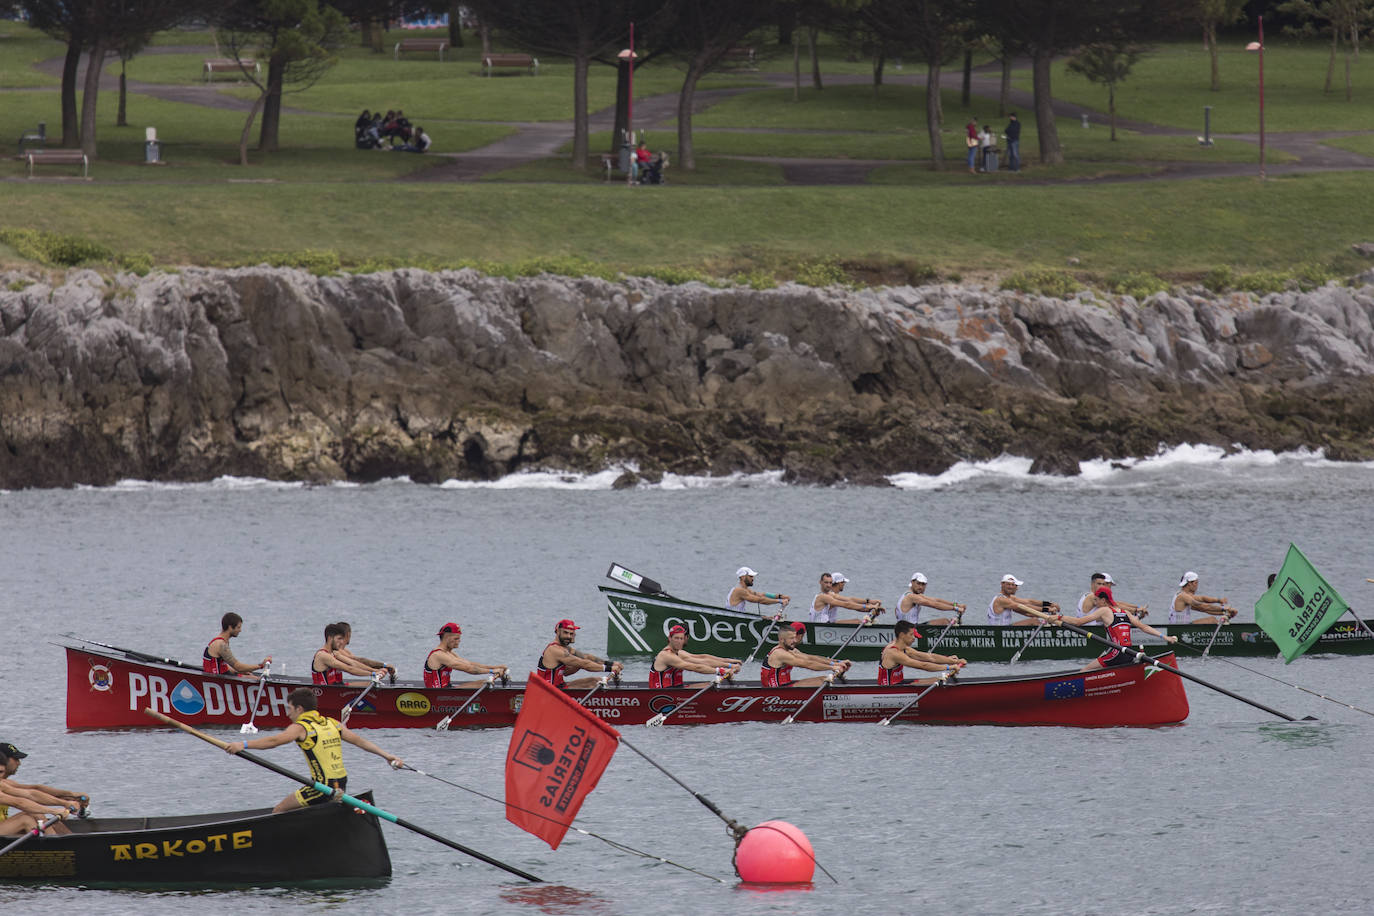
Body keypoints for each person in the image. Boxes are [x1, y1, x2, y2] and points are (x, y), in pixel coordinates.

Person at [226, 687, 403, 814]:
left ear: (299, 709)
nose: (288, 714)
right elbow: (360, 741)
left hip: (322, 787)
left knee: (279, 809)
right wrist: (387, 756)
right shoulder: (331, 723)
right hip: (340, 784)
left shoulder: (301, 727)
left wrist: (243, 745)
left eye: (289, 709)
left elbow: (274, 741)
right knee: (310, 810)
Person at [1058, 588, 1176, 672]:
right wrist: (1165, 637)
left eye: (1096, 600)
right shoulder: (1126, 613)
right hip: (1129, 654)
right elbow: (1144, 627)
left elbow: (1078, 622)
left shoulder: (1104, 611)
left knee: (1084, 671)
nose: (1095, 603)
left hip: (1116, 654)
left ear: (1103, 600)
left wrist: (1059, 617)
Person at [0, 743, 83, 836]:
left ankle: (71, 843)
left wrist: (65, 802)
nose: (1, 776)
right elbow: (18, 803)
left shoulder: (2, 784)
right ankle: (55, 847)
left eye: (1, 772)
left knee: (37, 814)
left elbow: (31, 794)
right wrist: (53, 811)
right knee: (26, 819)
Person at [537, 619, 623, 689]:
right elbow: (584, 663)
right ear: (558, 632)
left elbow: (587, 657)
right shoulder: (554, 650)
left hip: (559, 686)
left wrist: (611, 663)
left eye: (571, 634)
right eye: (565, 633)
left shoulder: (566, 649)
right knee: (594, 684)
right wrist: (610, 668)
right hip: (548, 691)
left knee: (595, 680)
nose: (569, 637)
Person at [761, 621, 850, 688]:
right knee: (822, 682)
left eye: (794, 637)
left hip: (786, 686)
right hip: (776, 691)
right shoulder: (779, 653)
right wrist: (833, 668)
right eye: (791, 638)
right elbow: (808, 664)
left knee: (822, 679)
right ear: (781, 639)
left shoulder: (791, 650)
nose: (794, 641)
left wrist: (837, 662)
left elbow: (811, 658)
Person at [649, 624, 741, 687]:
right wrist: (722, 670)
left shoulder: (679, 653)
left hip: (676, 690)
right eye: (676, 638)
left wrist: (728, 663)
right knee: (710, 687)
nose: (679, 641)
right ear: (669, 638)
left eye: (681, 638)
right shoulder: (666, 655)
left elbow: (703, 658)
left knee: (709, 685)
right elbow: (695, 667)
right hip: (663, 694)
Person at [879, 620, 967, 685]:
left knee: (936, 679)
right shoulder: (894, 653)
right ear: (902, 635)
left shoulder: (904, 648)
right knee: (937, 681)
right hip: (888, 689)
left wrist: (954, 661)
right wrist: (949, 667)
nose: (914, 638)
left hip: (899, 684)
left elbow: (929, 657)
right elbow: (922, 665)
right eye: (911, 635)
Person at [424, 622, 508, 687]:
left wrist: (496, 667)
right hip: (439, 694)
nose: (459, 641)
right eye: (456, 639)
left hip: (447, 689)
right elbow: (469, 669)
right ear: (447, 638)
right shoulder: (438, 655)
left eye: (459, 638)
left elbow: (469, 664)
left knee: (483, 683)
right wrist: (492, 671)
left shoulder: (449, 653)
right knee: (483, 684)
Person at [313, 623, 387, 686]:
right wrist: (372, 674)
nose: (342, 642)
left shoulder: (334, 653)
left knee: (371, 684)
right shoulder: (323, 655)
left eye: (342, 639)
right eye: (339, 639)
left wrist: (375, 670)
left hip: (338, 687)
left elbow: (353, 663)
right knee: (371, 684)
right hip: (327, 692)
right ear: (330, 638)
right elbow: (349, 669)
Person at [203, 612, 270, 677]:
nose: (240, 630)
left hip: (221, 675)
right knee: (254, 679)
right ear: (230, 627)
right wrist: (261, 665)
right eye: (238, 627)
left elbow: (224, 666)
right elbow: (238, 667)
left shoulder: (223, 641)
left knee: (249, 675)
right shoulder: (221, 644)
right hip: (216, 678)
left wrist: (240, 672)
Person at [895, 572, 965, 626]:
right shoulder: (911, 597)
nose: (920, 587)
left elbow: (936, 600)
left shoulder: (915, 595)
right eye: (918, 583)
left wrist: (956, 605)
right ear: (912, 582)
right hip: (907, 632)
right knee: (944, 622)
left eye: (923, 584)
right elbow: (934, 605)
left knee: (945, 621)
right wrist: (956, 609)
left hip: (912, 628)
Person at [1075, 573, 1146, 624]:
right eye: (1099, 584)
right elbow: (1115, 606)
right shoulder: (1093, 597)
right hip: (1090, 630)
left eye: (1103, 584)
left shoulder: (1093, 595)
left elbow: (1117, 603)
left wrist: (1137, 607)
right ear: (1092, 584)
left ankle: (1136, 619)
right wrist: (1136, 610)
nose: (1102, 587)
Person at [988, 574, 1059, 625]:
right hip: (998, 631)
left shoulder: (1011, 598)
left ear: (1017, 587)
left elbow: (1029, 602)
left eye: (1013, 585)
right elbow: (1025, 607)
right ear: (1002, 584)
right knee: (1034, 621)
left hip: (1005, 630)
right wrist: (1048, 609)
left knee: (1034, 617)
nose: (1011, 587)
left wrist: (1050, 604)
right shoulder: (1001, 599)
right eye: (1008, 584)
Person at [811, 572, 880, 624]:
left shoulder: (831, 594)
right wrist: (868, 607)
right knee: (857, 621)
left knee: (856, 621)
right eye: (843, 582)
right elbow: (847, 605)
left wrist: (869, 604)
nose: (844, 584)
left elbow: (850, 600)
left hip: (829, 624)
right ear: (838, 583)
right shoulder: (823, 597)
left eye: (830, 583)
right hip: (821, 628)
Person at [1171, 571, 1237, 624]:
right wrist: (1223, 608)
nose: (1197, 586)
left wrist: (1226, 612)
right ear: (1189, 583)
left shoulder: (1185, 596)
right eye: (1196, 583)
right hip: (1180, 629)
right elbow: (1202, 606)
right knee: (1212, 620)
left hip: (1183, 628)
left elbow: (1203, 601)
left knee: (1212, 619)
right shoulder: (1183, 596)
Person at [726, 566, 790, 613]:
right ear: (743, 577)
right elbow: (760, 600)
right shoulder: (739, 590)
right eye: (750, 576)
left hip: (739, 616)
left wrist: (780, 596)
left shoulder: (745, 589)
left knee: (765, 617)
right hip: (734, 618)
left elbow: (761, 595)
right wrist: (779, 601)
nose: (753, 578)